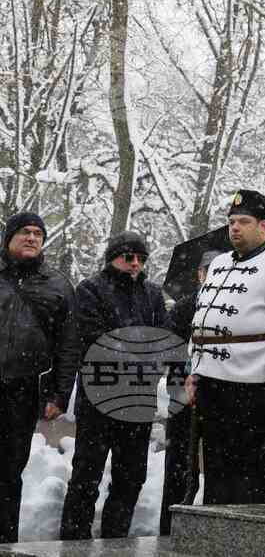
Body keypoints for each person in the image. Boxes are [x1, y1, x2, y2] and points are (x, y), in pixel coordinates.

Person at [185, 190, 265, 505]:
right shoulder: (220, 262)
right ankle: (213, 535)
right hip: (213, 381)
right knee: (215, 468)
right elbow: (203, 318)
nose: (235, 228)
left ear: (263, 226)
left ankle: (246, 537)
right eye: (231, 222)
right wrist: (193, 368)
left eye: (243, 221)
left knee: (250, 470)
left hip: (254, 383)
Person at [60, 231, 167, 540]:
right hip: (100, 396)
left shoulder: (153, 294)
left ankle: (115, 539)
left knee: (131, 476)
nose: (135, 264)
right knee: (86, 474)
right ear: (113, 257)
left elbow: (163, 338)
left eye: (141, 258)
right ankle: (73, 540)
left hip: (138, 399)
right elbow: (93, 338)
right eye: (128, 257)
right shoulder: (90, 289)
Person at [0, 211, 79, 544]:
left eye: (38, 233)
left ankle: (5, 541)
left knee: (8, 472)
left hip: (22, 390)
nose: (32, 238)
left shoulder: (58, 284)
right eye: (25, 232)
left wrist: (59, 394)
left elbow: (68, 344)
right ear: (9, 238)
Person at [159, 249, 221, 535]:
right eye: (208, 270)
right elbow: (167, 346)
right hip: (182, 395)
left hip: (217, 395)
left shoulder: (230, 308)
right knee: (179, 465)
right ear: (199, 274)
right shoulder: (185, 307)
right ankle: (169, 527)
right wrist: (187, 371)